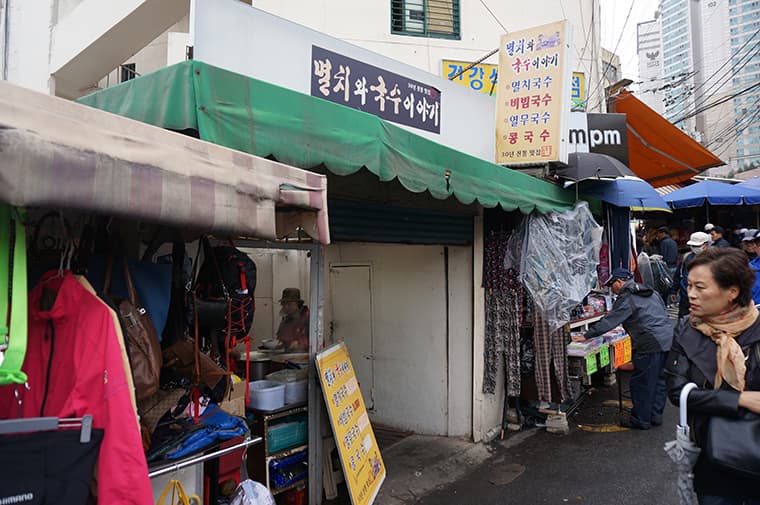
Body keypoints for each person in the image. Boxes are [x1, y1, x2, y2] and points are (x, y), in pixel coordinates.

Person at [665, 248, 760, 504]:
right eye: (689, 285)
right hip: (711, 455)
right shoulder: (688, 328)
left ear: (732, 291)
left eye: (700, 287)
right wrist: (740, 399)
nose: (691, 294)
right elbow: (678, 392)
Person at [573, 267, 673, 429]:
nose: (611, 290)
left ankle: (640, 419)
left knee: (642, 382)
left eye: (611, 285)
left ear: (619, 282)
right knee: (659, 381)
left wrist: (586, 335)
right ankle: (654, 415)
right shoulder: (650, 292)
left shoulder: (627, 297)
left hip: (650, 342)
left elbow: (610, 321)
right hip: (667, 338)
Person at [673, 231, 710, 318]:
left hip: (703, 300)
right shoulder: (686, 257)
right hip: (685, 299)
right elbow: (678, 275)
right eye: (692, 246)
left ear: (705, 245)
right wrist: (673, 291)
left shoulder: (713, 259)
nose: (694, 248)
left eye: (696, 246)